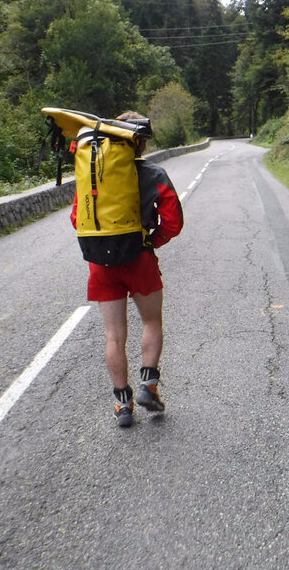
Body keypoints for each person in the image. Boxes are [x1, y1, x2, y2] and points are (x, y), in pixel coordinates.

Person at [70, 111, 184, 428]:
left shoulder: (93, 175)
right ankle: (149, 383)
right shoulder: (154, 173)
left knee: (113, 336)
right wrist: (151, 241)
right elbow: (173, 222)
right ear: (142, 142)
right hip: (139, 258)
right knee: (151, 321)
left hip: (101, 265)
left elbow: (76, 218)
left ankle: (123, 403)